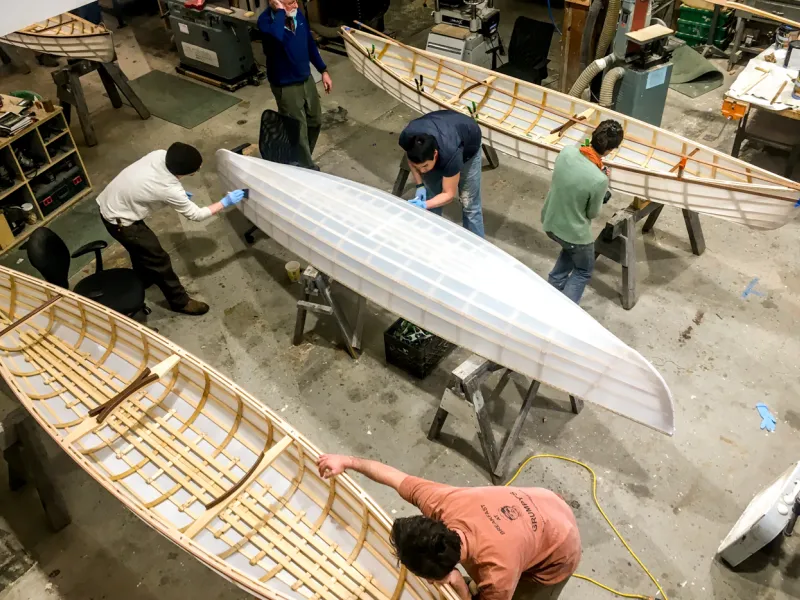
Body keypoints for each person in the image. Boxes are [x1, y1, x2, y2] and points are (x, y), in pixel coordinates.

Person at [316, 454, 581, 600]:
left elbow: (491, 581)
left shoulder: (497, 575)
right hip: (543, 502)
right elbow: (393, 477)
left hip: (560, 547)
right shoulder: (445, 503)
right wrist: (348, 462)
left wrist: (459, 585)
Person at [97, 143, 246, 316]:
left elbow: (148, 187)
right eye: (194, 171)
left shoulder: (159, 154)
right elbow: (196, 215)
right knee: (158, 260)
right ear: (182, 173)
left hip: (112, 202)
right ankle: (180, 302)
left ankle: (144, 278)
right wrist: (224, 202)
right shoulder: (169, 189)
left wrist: (179, 195)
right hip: (121, 221)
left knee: (140, 250)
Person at [541, 120, 624, 304]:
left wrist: (597, 171)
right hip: (573, 233)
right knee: (583, 270)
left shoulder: (567, 151)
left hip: (550, 221)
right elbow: (592, 213)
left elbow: (574, 175)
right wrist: (602, 187)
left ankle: (550, 296)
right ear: (610, 150)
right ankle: (565, 314)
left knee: (570, 254)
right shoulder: (599, 180)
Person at [258, 0, 332, 169]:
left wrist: (323, 70)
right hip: (286, 85)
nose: (296, 6)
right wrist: (280, 12)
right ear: (275, 3)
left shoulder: (296, 15)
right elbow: (276, 37)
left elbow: (309, 44)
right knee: (297, 130)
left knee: (315, 121)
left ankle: (300, 159)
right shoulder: (266, 22)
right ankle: (307, 167)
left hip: (305, 79)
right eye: (290, 3)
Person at [398, 110, 485, 238]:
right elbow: (411, 159)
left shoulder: (451, 154)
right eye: (419, 167)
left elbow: (448, 194)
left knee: (470, 205)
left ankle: (477, 247)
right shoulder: (407, 138)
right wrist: (419, 185)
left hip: (468, 143)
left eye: (425, 166)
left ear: (435, 154)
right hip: (443, 127)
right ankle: (430, 239)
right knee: (430, 197)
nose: (422, 171)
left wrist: (424, 205)